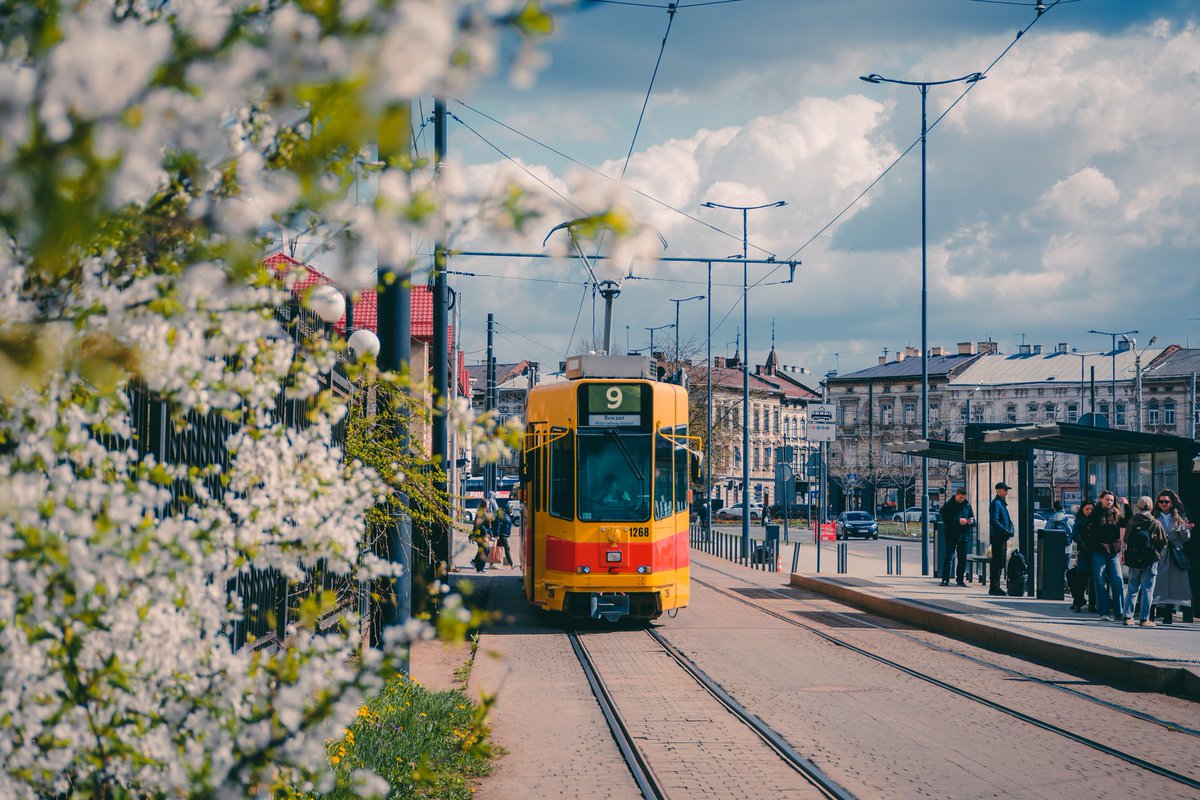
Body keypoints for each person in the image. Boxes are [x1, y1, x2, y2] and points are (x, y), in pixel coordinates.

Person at [1122, 497, 1167, 626]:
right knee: (1148, 590)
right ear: (1151, 507)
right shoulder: (1155, 522)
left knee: (1132, 589)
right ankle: (1144, 619)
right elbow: (1163, 541)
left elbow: (1126, 539)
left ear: (1138, 506)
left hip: (1134, 560)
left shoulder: (1132, 521)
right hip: (1150, 560)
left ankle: (1127, 617)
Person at [1084, 490, 1125, 621]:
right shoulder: (1095, 513)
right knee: (1100, 582)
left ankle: (1120, 612)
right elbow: (1086, 530)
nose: (1109, 502)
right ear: (1101, 499)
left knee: (1118, 581)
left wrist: (1127, 507)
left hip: (1113, 552)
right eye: (1107, 499)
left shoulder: (1116, 513)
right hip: (1099, 551)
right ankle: (1104, 612)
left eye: (1112, 500)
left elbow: (1126, 523)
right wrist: (1094, 543)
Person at [1152, 489, 1192, 624]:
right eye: (1161, 501)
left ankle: (1168, 614)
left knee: (1174, 586)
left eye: (1166, 502)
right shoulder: (1154, 516)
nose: (1164, 504)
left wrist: (1184, 529)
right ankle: (1151, 613)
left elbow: (1186, 538)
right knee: (1155, 584)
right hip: (1158, 554)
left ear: (1172, 503)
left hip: (1174, 554)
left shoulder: (1179, 517)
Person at [939, 488, 975, 587]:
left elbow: (972, 518)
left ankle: (960, 580)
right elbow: (946, 520)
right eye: (960, 497)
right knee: (949, 557)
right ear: (956, 494)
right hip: (951, 535)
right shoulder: (948, 505)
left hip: (963, 536)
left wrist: (971, 521)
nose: (962, 499)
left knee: (962, 559)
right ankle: (945, 580)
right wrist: (958, 521)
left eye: (964, 497)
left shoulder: (967, 505)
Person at [1067, 499, 1096, 612]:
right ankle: (1078, 601)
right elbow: (1074, 535)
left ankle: (1092, 604)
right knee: (1081, 578)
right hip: (1083, 552)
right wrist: (1083, 541)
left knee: (1094, 580)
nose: (1089, 511)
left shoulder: (1096, 519)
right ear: (1083, 509)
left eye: (1091, 509)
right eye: (1087, 509)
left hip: (1095, 552)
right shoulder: (1080, 521)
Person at [988, 482, 1015, 596]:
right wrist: (1005, 530)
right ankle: (994, 587)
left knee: (1000, 562)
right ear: (998, 490)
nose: (1006, 492)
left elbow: (1006, 519)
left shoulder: (1001, 503)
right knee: (997, 562)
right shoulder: (996, 503)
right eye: (1005, 490)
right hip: (998, 537)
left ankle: (995, 586)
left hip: (1002, 537)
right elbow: (994, 521)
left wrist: (1010, 528)